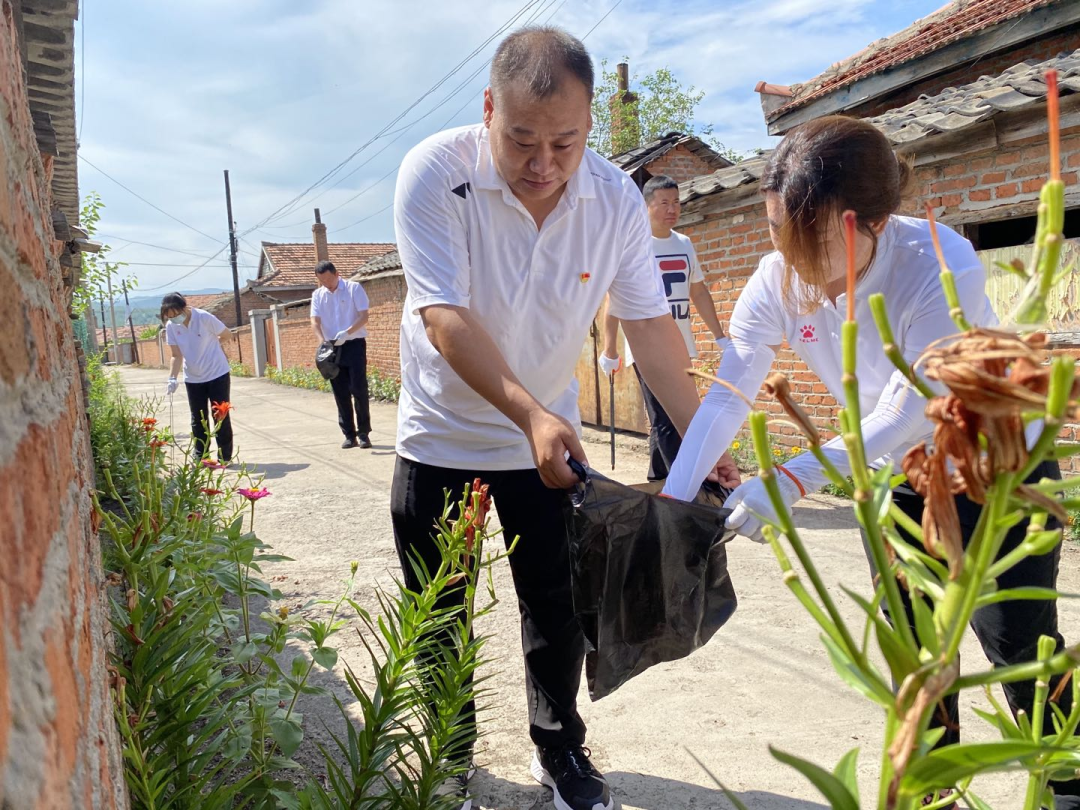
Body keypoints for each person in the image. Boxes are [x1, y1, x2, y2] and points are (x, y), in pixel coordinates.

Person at [661, 115, 1078, 809]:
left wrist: (791, 478)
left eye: (810, 236)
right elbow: (730, 392)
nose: (790, 257)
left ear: (870, 221)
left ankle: (1067, 777)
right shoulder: (778, 276)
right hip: (902, 480)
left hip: (995, 469)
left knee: (1017, 646)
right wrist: (676, 504)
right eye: (775, 231)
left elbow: (909, 408)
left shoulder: (937, 264)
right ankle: (929, 793)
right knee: (911, 655)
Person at [392, 26, 739, 810]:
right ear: (488, 110)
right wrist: (529, 414)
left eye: (565, 143)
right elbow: (444, 318)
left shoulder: (614, 199)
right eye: (520, 140)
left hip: (545, 452)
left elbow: (650, 329)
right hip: (440, 437)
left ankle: (561, 754)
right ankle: (448, 754)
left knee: (556, 607)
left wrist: (701, 437)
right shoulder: (433, 175)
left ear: (590, 129)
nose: (542, 165)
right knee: (437, 609)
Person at [599, 173, 728, 482]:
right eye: (664, 203)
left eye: (677, 202)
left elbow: (697, 292)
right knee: (666, 417)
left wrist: (720, 336)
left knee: (670, 416)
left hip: (679, 342)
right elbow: (613, 300)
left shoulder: (684, 244)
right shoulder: (635, 245)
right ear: (646, 206)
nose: (672, 209)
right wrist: (610, 349)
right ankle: (682, 483)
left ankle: (660, 477)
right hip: (646, 345)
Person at [161, 292, 234, 464]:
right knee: (198, 418)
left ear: (184, 307)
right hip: (193, 378)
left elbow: (227, 334)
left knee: (220, 415)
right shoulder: (172, 326)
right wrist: (172, 377)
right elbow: (176, 355)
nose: (174, 319)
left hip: (217, 373)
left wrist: (214, 344)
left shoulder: (204, 318)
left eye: (176, 314)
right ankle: (201, 455)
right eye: (170, 317)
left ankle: (225, 457)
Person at [310, 260, 372, 449]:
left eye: (329, 279)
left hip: (354, 344)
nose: (327, 284)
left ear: (337, 274)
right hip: (332, 347)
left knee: (358, 389)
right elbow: (315, 320)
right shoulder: (318, 295)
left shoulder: (353, 289)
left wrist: (348, 332)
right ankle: (348, 434)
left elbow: (364, 316)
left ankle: (363, 434)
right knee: (340, 391)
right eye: (322, 281)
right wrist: (322, 341)